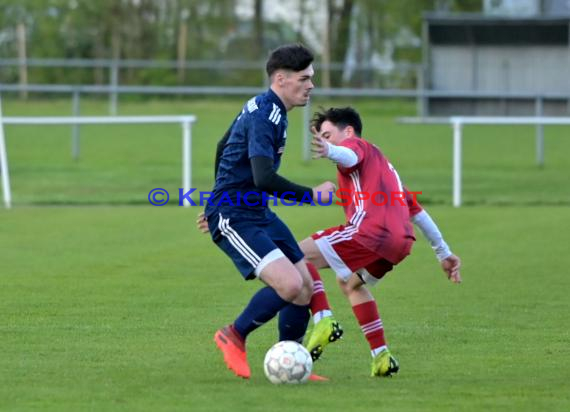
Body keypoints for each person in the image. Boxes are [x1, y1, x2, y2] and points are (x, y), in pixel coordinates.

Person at [201, 44, 336, 380]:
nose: (311, 86)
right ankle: (233, 334)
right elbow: (263, 177)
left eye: (312, 78)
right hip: (235, 213)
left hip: (255, 210)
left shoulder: (269, 108)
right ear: (281, 78)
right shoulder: (265, 114)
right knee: (290, 285)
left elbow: (223, 145)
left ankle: (293, 361)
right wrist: (311, 196)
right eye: (304, 79)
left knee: (305, 286)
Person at [300, 107, 462, 377]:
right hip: (399, 245)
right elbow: (418, 213)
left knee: (295, 255)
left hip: (370, 233)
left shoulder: (356, 147)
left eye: (328, 135)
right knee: (349, 283)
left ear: (348, 131)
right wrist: (443, 252)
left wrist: (330, 151)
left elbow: (349, 153)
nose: (325, 140)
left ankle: (322, 320)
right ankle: (381, 357)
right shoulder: (385, 169)